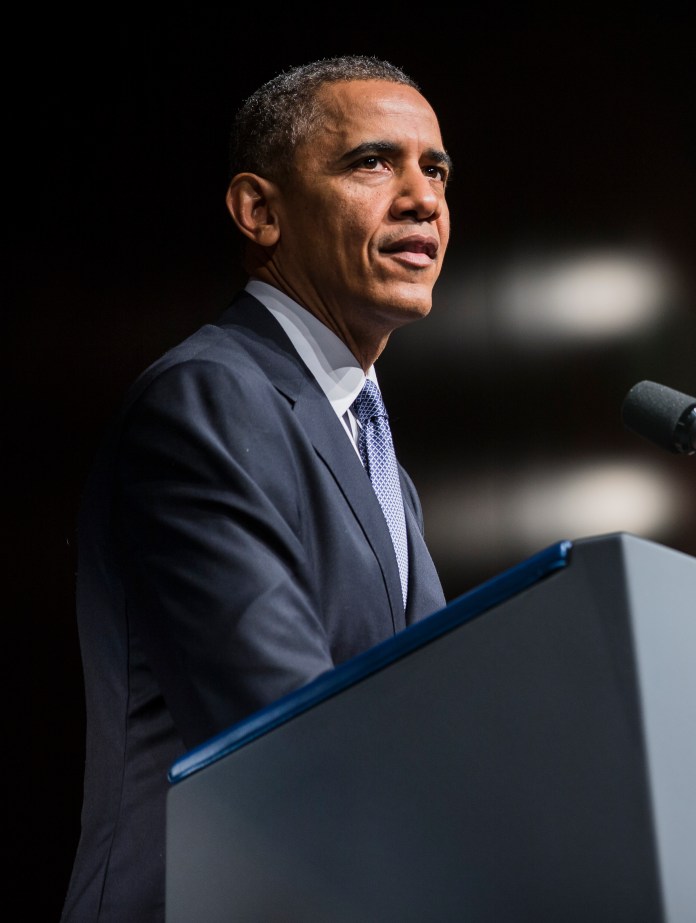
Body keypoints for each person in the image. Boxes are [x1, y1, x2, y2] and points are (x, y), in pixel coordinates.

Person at [61, 55, 452, 921]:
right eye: (373, 162)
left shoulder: (375, 453)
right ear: (259, 210)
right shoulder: (206, 396)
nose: (423, 197)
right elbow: (289, 727)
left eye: (436, 169)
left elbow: (437, 718)